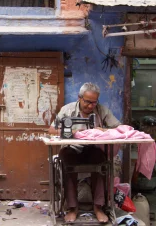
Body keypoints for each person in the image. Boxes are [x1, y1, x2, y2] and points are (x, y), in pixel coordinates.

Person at [48, 82, 121, 223]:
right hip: (72, 149)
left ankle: (98, 207)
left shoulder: (101, 110)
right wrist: (73, 132)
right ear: (79, 98)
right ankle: (72, 208)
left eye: (94, 102)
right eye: (88, 102)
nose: (91, 106)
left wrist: (103, 130)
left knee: (101, 162)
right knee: (67, 162)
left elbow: (120, 128)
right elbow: (51, 130)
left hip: (93, 148)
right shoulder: (67, 110)